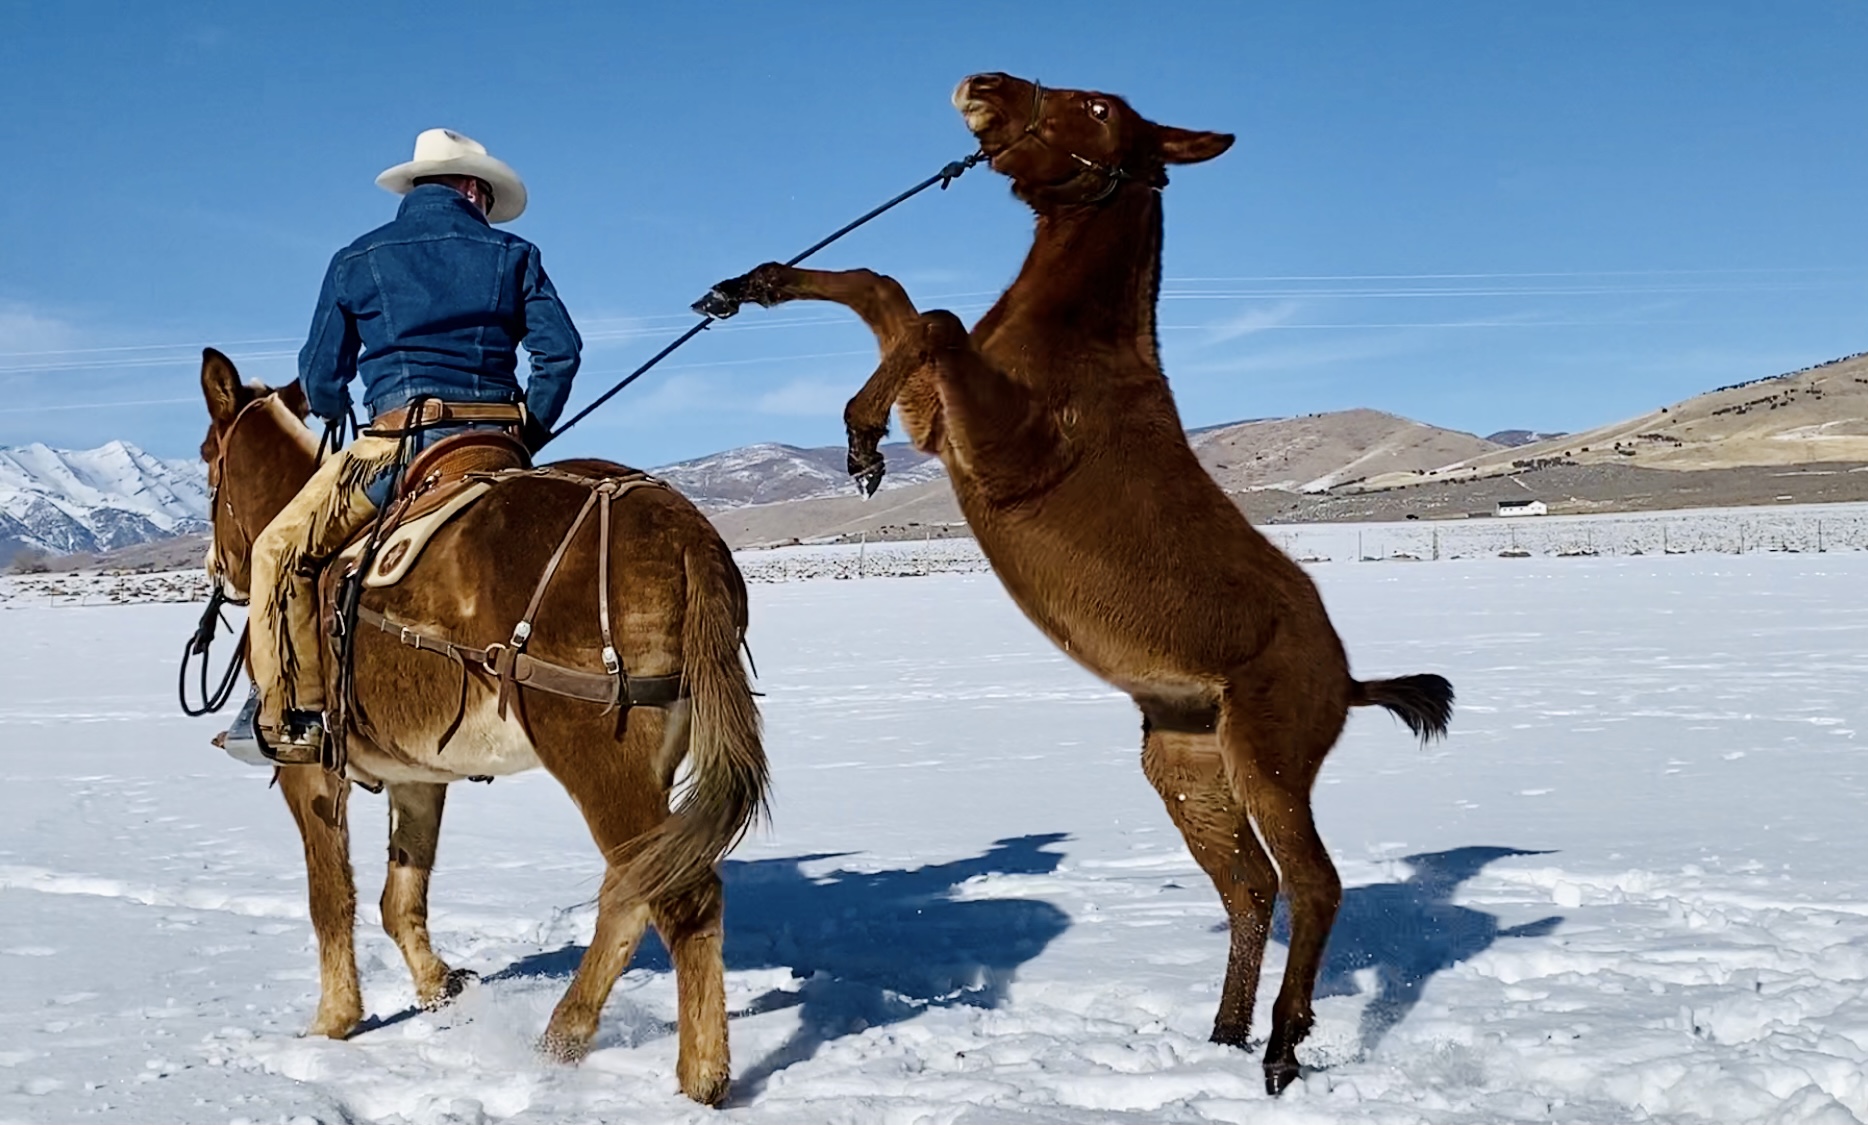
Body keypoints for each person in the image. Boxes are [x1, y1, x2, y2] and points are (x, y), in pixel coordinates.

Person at [248, 128, 582, 762]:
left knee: (278, 551)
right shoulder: (515, 255)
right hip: (495, 444)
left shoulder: (357, 258)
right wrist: (525, 432)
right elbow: (560, 355)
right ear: (473, 189)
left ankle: (299, 712)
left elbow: (321, 375)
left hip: (397, 447)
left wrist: (329, 405)